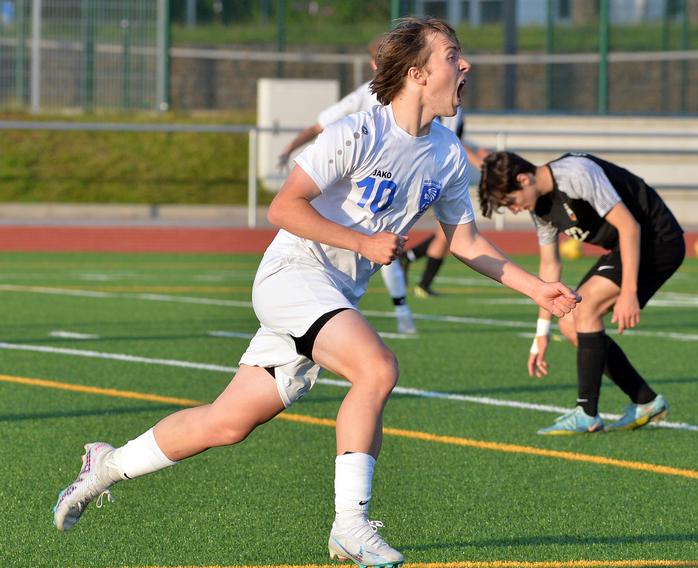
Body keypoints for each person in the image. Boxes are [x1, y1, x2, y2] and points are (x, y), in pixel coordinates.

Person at [52, 17, 579, 567]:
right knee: (376, 368)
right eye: (454, 55)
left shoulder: (446, 154)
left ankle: (104, 467)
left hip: (333, 296)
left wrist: (536, 288)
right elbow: (285, 207)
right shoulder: (358, 132)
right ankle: (350, 525)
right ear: (419, 73)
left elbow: (467, 244)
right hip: (292, 275)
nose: (465, 64)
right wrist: (364, 241)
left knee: (227, 423)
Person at [477, 150, 684, 435]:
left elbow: (629, 226)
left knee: (586, 309)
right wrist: (541, 333)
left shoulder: (576, 174)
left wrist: (629, 293)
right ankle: (645, 401)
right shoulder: (540, 207)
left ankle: (587, 413)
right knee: (569, 322)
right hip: (626, 248)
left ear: (523, 179)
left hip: (657, 240)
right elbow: (550, 267)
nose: (513, 210)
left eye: (510, 202)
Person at [277, 36, 417, 334]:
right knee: (377, 367)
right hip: (354, 185)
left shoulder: (419, 106)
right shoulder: (364, 98)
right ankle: (396, 310)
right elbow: (322, 125)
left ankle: (400, 310)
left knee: (384, 245)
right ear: (375, 65)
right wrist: (291, 146)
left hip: (394, 183)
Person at [400, 101, 489, 298]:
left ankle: (409, 259)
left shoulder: (453, 105)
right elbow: (452, 143)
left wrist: (479, 153)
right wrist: (481, 164)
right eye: (459, 68)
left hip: (440, 171)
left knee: (448, 233)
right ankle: (422, 282)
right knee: (450, 234)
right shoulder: (445, 105)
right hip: (436, 173)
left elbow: (453, 139)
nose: (466, 68)